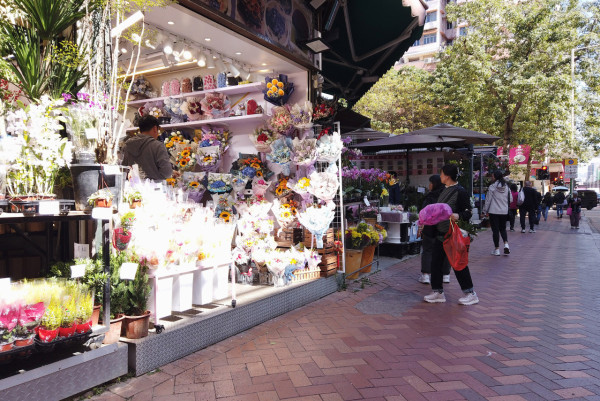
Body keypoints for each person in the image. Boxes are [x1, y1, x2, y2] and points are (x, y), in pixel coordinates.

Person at [424, 164, 479, 306]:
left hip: (452, 234)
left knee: (458, 263)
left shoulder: (460, 192)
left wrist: (458, 215)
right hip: (441, 233)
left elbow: (468, 212)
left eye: (441, 174)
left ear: (447, 176)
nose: (440, 176)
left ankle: (470, 293)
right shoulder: (444, 190)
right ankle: (438, 292)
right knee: (435, 263)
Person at [418, 175, 451, 285]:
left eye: (431, 183)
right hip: (445, 227)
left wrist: (420, 226)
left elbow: (423, 213)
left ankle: (426, 275)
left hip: (430, 228)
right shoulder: (447, 195)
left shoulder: (430, 197)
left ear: (434, 184)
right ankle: (446, 275)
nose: (429, 185)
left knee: (428, 250)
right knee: (446, 250)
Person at [121, 115, 173, 182]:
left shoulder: (127, 146)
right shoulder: (157, 146)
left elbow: (123, 170)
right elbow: (167, 172)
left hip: (132, 188)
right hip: (154, 188)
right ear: (155, 128)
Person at [482, 170, 510, 256]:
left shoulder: (492, 187)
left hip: (494, 211)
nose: (492, 178)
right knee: (503, 229)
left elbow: (488, 200)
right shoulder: (507, 187)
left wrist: (484, 211)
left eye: (493, 176)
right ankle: (506, 244)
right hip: (504, 211)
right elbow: (511, 199)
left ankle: (497, 249)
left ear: (496, 177)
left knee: (495, 231)